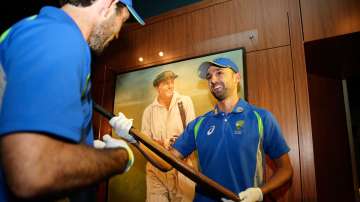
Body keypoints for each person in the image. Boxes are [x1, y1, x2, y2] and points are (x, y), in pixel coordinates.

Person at [0, 0, 144, 201]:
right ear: (108, 4)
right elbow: (32, 171)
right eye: (123, 20)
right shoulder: (61, 38)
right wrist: (120, 157)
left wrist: (85, 151)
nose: (118, 33)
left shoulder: (44, 30)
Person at [114, 57, 293, 202]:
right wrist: (134, 140)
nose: (213, 79)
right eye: (209, 76)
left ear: (236, 78)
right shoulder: (199, 124)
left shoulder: (261, 118)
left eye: (219, 73)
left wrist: (260, 193)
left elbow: (286, 169)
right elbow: (167, 163)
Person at [141, 70, 196, 202]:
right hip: (156, 169)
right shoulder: (149, 111)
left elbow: (193, 133)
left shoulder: (185, 101)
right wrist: (162, 142)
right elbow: (143, 141)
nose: (171, 86)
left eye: (172, 82)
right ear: (157, 87)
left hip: (183, 166)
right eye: (166, 83)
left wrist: (178, 144)